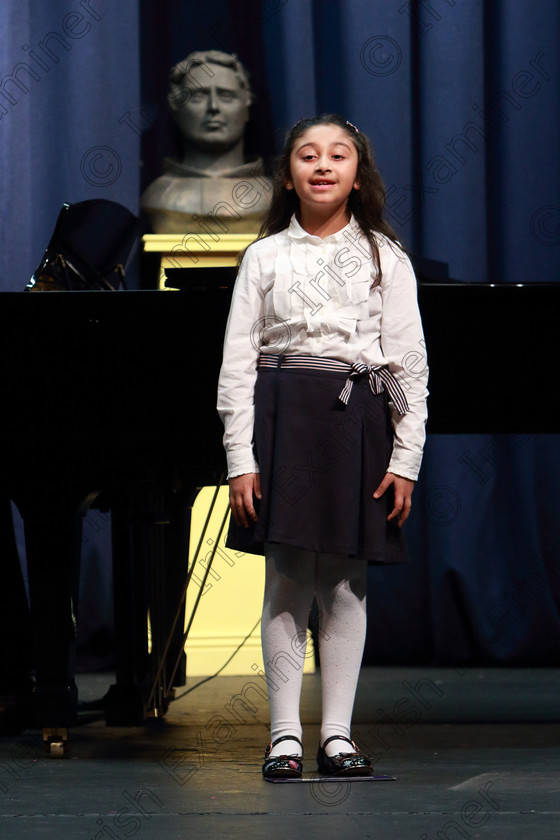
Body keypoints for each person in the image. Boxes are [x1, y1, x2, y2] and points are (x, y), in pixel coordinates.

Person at [217, 114, 428, 779]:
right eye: (308, 155)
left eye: (339, 155)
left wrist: (405, 459)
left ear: (357, 176)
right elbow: (236, 366)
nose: (323, 165)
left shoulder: (384, 258)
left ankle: (336, 735)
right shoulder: (264, 257)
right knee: (287, 576)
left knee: (342, 580)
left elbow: (408, 367)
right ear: (288, 175)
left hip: (355, 423)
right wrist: (240, 457)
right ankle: (284, 736)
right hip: (284, 418)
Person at [141, 50, 271, 234]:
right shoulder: (158, 196)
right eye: (198, 96)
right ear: (176, 107)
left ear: (246, 106)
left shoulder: (272, 198)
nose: (214, 107)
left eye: (226, 96)